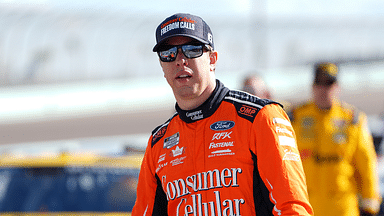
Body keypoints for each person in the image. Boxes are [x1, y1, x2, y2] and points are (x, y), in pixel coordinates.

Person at [132, 13, 313, 216]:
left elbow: (292, 208)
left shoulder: (259, 118)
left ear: (212, 59)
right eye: (168, 53)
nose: (180, 60)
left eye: (192, 50)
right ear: (162, 66)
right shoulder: (159, 143)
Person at [288, 62, 382, 216]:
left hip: (343, 206)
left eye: (329, 83)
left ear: (337, 87)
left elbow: (367, 162)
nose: (324, 89)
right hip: (306, 204)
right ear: (313, 86)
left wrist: (370, 201)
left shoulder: (352, 119)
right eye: (320, 83)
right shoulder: (296, 117)